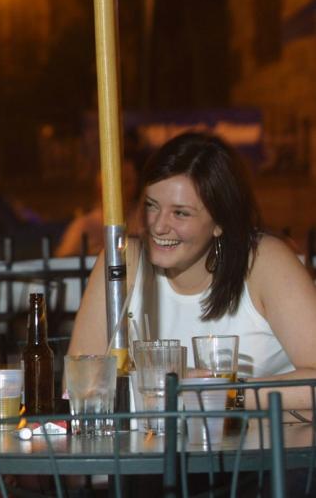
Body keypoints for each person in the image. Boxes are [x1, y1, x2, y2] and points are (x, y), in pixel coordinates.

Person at [68, 132, 316, 409]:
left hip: (270, 447)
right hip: (154, 448)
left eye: (180, 213)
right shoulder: (121, 262)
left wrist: (226, 394)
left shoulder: (264, 261)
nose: (158, 226)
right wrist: (166, 387)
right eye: (151, 206)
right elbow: (81, 380)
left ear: (220, 222)